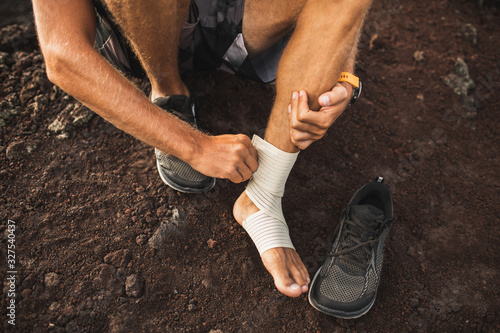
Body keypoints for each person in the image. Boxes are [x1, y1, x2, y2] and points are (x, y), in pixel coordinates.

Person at [32, 0, 372, 300]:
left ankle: (264, 194)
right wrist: (193, 145)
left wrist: (344, 75)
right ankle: (169, 92)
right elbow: (62, 54)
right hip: (140, 30)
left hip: (241, 24)